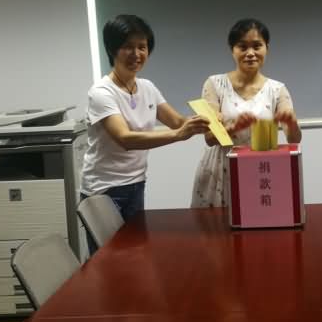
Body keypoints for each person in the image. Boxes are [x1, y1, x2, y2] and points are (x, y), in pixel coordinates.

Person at [80, 14, 208, 251]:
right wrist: (179, 134)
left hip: (136, 183)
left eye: (142, 46)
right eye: (128, 47)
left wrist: (209, 123)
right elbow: (125, 139)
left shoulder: (147, 87)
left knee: (135, 253)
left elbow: (177, 121)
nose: (136, 54)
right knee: (108, 259)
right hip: (104, 190)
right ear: (112, 48)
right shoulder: (101, 92)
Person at [191, 18, 301, 208]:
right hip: (221, 168)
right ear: (232, 50)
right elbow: (209, 138)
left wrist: (291, 123)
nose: (250, 53)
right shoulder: (214, 84)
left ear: (266, 48)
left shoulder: (277, 89)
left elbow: (294, 139)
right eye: (242, 47)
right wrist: (234, 127)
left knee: (260, 220)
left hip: (261, 169)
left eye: (257, 46)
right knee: (216, 225)